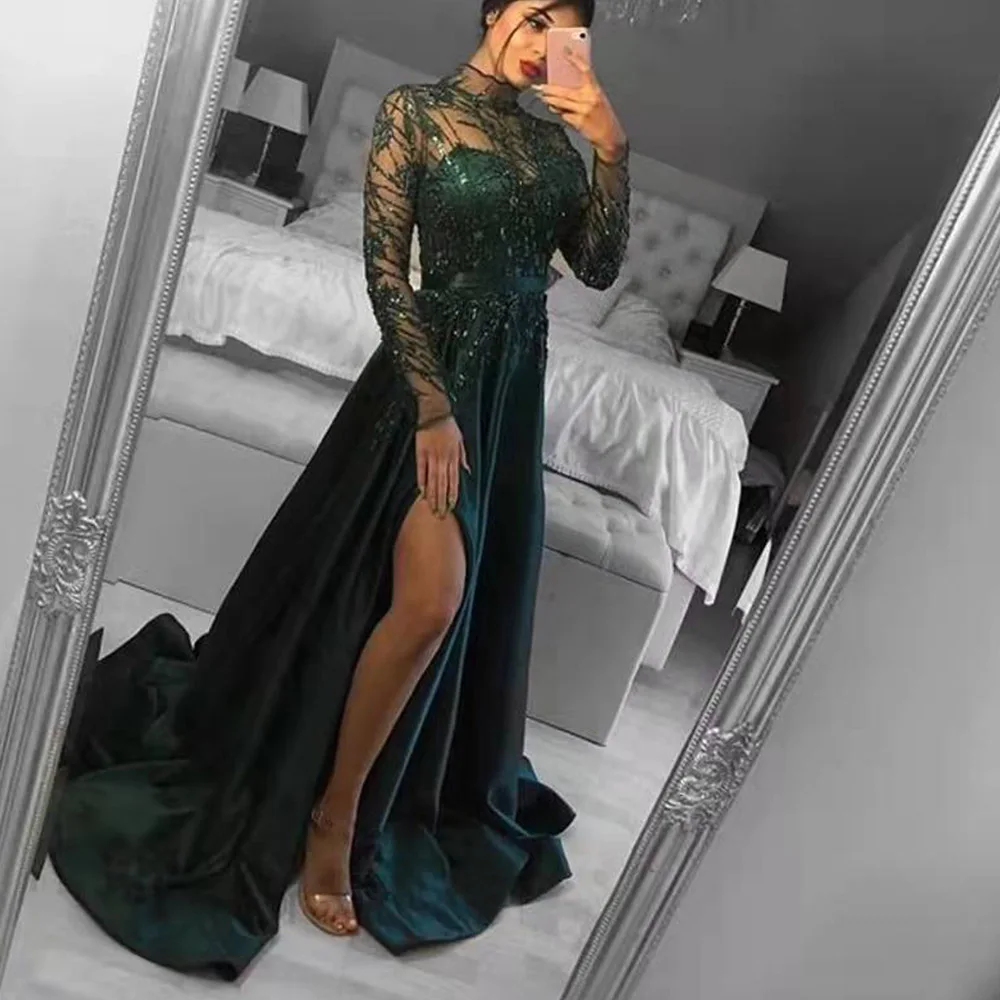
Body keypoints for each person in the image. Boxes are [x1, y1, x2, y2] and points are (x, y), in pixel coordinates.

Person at [48, 0, 630, 978]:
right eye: (533, 18)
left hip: (509, 393)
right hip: (424, 385)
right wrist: (433, 407)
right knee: (432, 599)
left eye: (565, 33)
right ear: (492, 11)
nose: (544, 47)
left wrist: (612, 146)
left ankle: (354, 791)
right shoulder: (415, 113)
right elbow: (386, 274)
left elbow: (599, 265)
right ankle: (335, 817)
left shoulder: (556, 146)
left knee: (441, 603)